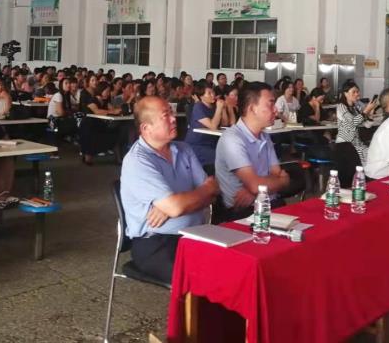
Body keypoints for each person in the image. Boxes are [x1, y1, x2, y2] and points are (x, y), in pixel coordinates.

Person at [120, 96, 218, 283]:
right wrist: (179, 204)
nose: (174, 119)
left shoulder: (184, 149)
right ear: (146, 128)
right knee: (206, 279)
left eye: (171, 113)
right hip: (157, 242)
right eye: (166, 116)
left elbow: (213, 192)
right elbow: (179, 204)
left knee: (235, 266)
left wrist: (176, 206)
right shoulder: (138, 161)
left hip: (196, 234)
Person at [215, 82, 290, 221]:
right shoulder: (232, 139)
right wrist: (280, 181)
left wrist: (256, 190)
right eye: (270, 104)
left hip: (270, 204)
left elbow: (277, 174)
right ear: (252, 109)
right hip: (244, 213)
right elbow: (261, 184)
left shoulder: (264, 136)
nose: (276, 110)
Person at [335, 82, 377, 169]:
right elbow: (353, 123)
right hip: (345, 142)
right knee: (361, 163)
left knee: (372, 156)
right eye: (354, 92)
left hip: (356, 142)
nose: (357, 94)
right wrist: (366, 111)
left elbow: (367, 125)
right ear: (345, 93)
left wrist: (370, 113)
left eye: (357, 91)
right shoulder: (341, 107)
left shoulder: (355, 107)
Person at [183, 82, 225, 167]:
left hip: (211, 144)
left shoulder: (214, 106)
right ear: (201, 96)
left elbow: (225, 124)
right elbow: (213, 126)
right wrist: (219, 108)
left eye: (213, 92)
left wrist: (223, 108)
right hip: (197, 145)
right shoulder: (198, 107)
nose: (213, 95)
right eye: (209, 93)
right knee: (223, 158)